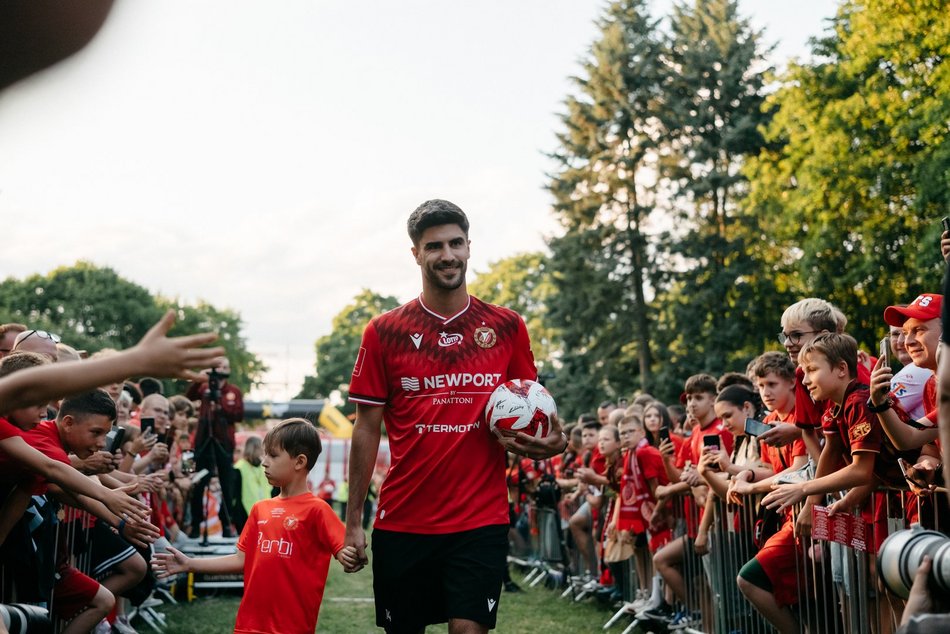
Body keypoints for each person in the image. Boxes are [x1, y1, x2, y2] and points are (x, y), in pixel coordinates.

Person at [343, 199, 566, 633]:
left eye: (456, 243)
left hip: (479, 521)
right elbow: (366, 427)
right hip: (404, 519)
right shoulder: (384, 331)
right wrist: (353, 523)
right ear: (416, 254)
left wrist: (557, 443)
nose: (447, 255)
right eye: (434, 246)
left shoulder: (506, 326)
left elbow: (535, 407)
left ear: (468, 247)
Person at [153, 418, 357, 633]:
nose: (264, 462)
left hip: (292, 627)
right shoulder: (260, 509)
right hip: (249, 625)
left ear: (299, 462)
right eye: (265, 454)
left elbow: (345, 549)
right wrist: (190, 564)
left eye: (273, 455)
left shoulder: (317, 509)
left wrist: (348, 555)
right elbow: (242, 559)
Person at [186, 358, 244, 537]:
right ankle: (196, 525)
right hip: (203, 441)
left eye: (224, 367)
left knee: (226, 484)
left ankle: (226, 523)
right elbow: (188, 397)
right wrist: (199, 378)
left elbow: (238, 415)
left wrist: (220, 404)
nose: (220, 371)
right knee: (200, 481)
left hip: (224, 443)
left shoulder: (233, 391)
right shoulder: (204, 388)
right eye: (217, 367)